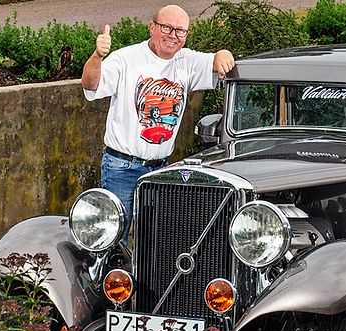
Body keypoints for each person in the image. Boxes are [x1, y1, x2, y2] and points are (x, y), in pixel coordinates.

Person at [81, 4, 235, 245]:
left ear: (186, 35)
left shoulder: (187, 61)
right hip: (122, 166)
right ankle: (108, 281)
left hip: (161, 170)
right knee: (113, 238)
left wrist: (224, 53)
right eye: (166, 27)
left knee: (155, 242)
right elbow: (91, 85)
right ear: (152, 27)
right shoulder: (126, 59)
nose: (172, 36)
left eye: (180, 31)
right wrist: (97, 56)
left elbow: (218, 62)